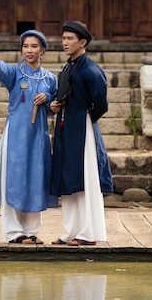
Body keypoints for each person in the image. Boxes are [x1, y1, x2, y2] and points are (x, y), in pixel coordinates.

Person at [0, 30, 58, 244]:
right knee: (14, 179)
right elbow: (0, 68)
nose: (28, 50)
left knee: (35, 178)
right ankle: (13, 232)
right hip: (16, 137)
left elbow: (54, 107)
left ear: (43, 50)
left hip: (38, 137)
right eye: (25, 46)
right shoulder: (14, 74)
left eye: (33, 46)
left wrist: (49, 99)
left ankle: (31, 230)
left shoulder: (50, 79)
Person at [49, 20, 113, 246]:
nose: (64, 42)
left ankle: (88, 233)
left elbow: (101, 104)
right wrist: (56, 106)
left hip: (83, 129)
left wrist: (86, 120)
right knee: (69, 179)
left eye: (69, 39)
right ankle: (71, 231)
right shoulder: (69, 67)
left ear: (82, 42)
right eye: (63, 38)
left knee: (85, 179)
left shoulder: (91, 70)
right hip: (66, 128)